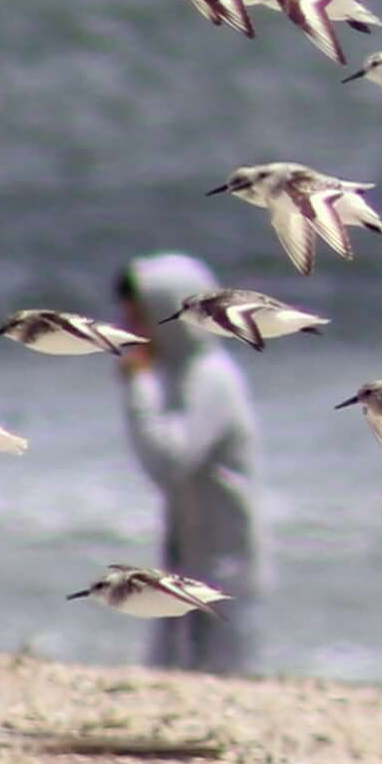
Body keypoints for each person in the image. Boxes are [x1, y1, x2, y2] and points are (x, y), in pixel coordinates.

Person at [112, 251, 261, 674]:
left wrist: (138, 386)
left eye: (139, 320)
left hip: (227, 567)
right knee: (175, 674)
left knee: (226, 679)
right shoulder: (178, 377)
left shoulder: (211, 377)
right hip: (189, 561)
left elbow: (168, 461)